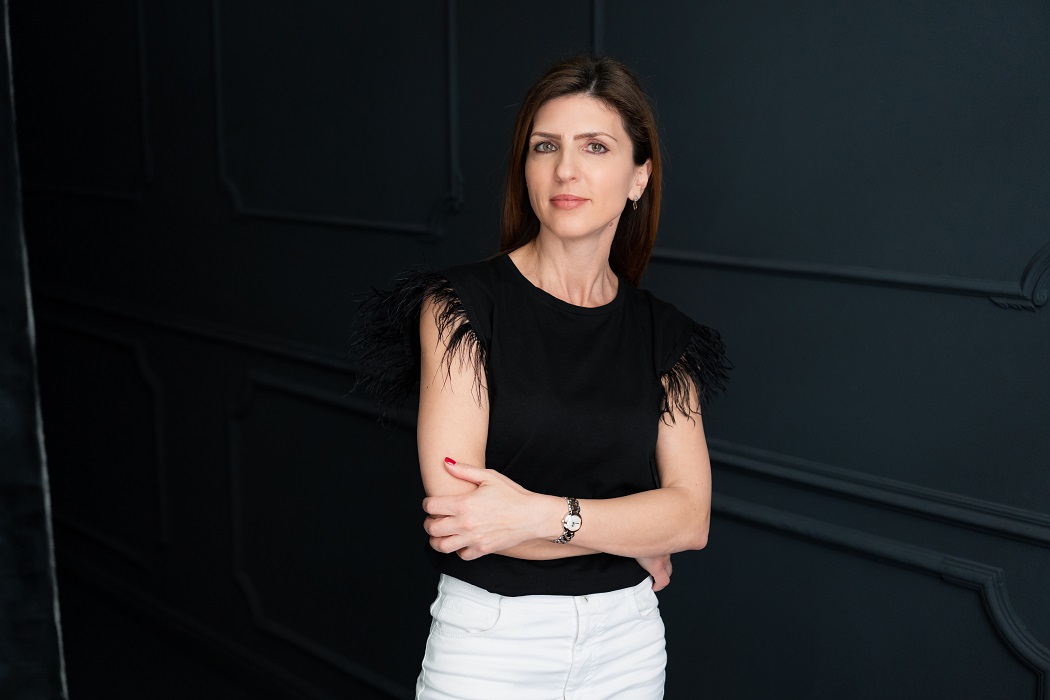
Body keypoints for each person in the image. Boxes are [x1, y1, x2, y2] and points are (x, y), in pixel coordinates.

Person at [354, 54, 729, 700]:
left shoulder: (666, 336)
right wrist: (628, 535)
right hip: (491, 645)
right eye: (545, 146)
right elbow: (465, 520)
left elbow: (690, 519)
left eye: (595, 146)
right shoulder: (459, 307)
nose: (565, 169)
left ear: (639, 176)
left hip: (626, 643)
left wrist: (533, 514)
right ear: (525, 168)